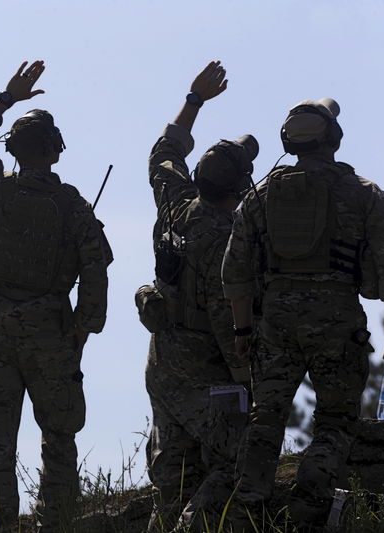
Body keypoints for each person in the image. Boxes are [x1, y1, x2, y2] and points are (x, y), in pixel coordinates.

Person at [0, 60, 113, 532]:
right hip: (52, 333)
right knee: (58, 438)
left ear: (13, 150)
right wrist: (85, 327)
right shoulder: (75, 208)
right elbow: (96, 270)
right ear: (55, 153)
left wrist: (5, 99)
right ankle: (56, 525)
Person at [222, 97, 384, 531]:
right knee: (336, 421)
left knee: (265, 418)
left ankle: (246, 512)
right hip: (337, 317)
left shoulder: (259, 196)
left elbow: (235, 271)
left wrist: (243, 327)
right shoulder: (363, 192)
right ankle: (307, 511)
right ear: (334, 139)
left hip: (274, 323)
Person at [137, 61, 257, 531]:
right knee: (242, 459)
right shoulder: (230, 240)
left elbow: (164, 151)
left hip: (163, 362)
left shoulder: (174, 203)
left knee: (171, 479)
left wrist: (194, 101)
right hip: (208, 377)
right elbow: (231, 326)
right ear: (241, 187)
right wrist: (251, 384)